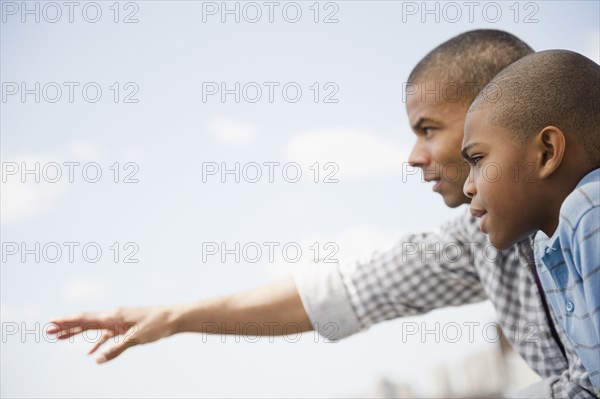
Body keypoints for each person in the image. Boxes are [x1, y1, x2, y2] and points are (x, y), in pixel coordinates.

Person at [47, 30, 595, 397]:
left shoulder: (589, 215)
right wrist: (175, 319)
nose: (414, 156)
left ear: (493, 112)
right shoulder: (478, 240)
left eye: (428, 128)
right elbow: (340, 295)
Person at [462, 49, 600, 393]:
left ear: (547, 152)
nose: (468, 185)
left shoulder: (589, 210)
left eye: (478, 159)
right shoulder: (546, 243)